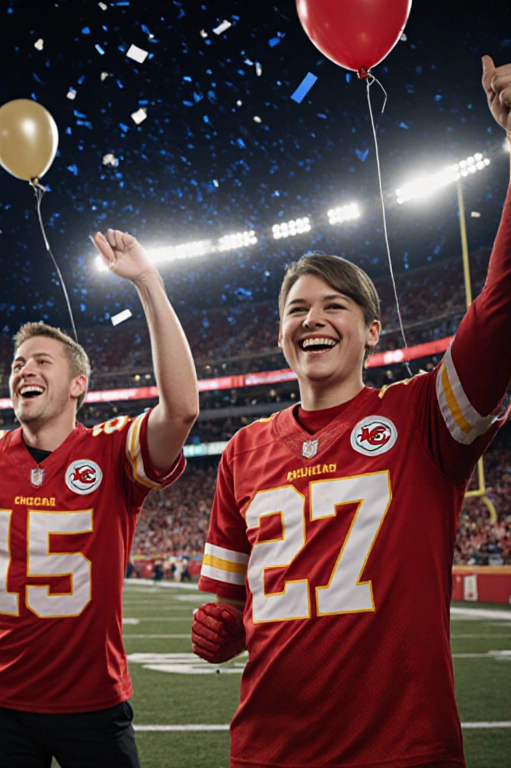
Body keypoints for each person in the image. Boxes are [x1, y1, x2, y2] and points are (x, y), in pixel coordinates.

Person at [190, 55, 511, 768]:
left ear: (372, 331)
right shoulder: (242, 452)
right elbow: (229, 605)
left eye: (334, 305)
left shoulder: (423, 416)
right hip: (269, 748)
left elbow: (501, 309)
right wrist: (222, 629)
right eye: (296, 308)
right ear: (280, 334)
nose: (312, 318)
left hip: (401, 749)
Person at [0, 231, 199, 768]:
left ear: (77, 385)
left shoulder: (113, 451)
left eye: (42, 361)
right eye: (18, 363)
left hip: (92, 699)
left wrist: (148, 282)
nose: (25, 369)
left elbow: (182, 409)